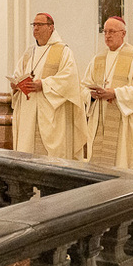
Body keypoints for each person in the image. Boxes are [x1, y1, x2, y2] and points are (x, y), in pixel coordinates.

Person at [83, 17, 133, 172]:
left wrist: (115, 93)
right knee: (99, 170)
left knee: (121, 166)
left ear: (123, 34)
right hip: (100, 120)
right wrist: (92, 95)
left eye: (112, 32)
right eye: (105, 31)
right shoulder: (97, 59)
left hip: (124, 123)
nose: (108, 35)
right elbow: (83, 86)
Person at [10, 13, 88, 159]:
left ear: (51, 27)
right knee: (28, 152)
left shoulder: (63, 51)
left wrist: (44, 84)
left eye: (40, 25)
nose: (35, 28)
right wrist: (15, 84)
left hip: (51, 114)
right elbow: (18, 73)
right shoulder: (29, 52)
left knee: (50, 158)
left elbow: (69, 79)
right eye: (34, 25)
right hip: (29, 112)